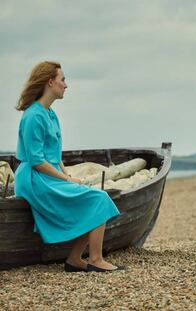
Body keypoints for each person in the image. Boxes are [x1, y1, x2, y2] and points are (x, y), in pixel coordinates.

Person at [14, 61, 124, 272]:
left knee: (89, 200)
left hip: (47, 176)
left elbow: (53, 155)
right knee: (98, 198)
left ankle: (74, 259)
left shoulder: (50, 114)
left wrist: (68, 174)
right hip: (34, 180)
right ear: (50, 82)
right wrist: (65, 180)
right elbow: (37, 161)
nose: (66, 85)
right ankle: (96, 259)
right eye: (63, 80)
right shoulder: (33, 116)